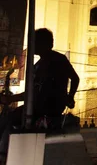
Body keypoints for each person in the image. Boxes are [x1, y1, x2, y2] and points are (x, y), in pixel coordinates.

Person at [0, 28, 79, 161]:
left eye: (35, 42)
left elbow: (34, 93)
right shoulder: (54, 60)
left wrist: (11, 98)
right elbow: (75, 79)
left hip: (43, 108)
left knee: (8, 120)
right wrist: (70, 97)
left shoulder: (46, 64)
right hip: (47, 106)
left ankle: (3, 156)